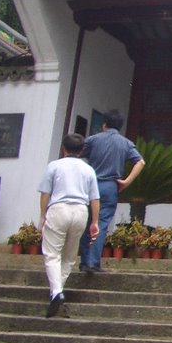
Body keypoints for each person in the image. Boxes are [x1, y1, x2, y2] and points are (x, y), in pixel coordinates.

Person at [38, 133, 100, 318]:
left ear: (63, 148)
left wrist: (42, 215)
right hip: (80, 211)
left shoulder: (54, 166)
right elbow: (94, 198)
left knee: (52, 254)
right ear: (81, 150)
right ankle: (57, 290)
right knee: (70, 256)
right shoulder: (88, 169)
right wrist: (95, 222)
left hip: (59, 209)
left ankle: (56, 291)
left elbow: (45, 194)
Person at [78, 109, 144, 274]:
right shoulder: (125, 143)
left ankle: (85, 261)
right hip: (110, 186)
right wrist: (127, 181)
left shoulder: (93, 140)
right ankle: (93, 262)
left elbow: (76, 155)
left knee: (87, 222)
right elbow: (140, 162)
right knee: (101, 223)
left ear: (104, 124)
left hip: (90, 185)